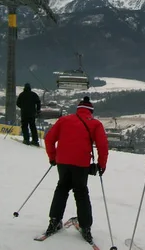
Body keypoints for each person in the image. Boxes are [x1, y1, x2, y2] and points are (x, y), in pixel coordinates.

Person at [43, 97, 109, 244]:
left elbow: (49, 139)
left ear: (78, 109)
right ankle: (85, 227)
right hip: (81, 164)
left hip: (62, 162)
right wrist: (102, 164)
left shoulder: (64, 120)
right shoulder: (95, 124)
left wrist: (52, 157)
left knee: (62, 188)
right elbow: (103, 146)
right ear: (91, 111)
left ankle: (54, 221)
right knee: (81, 192)